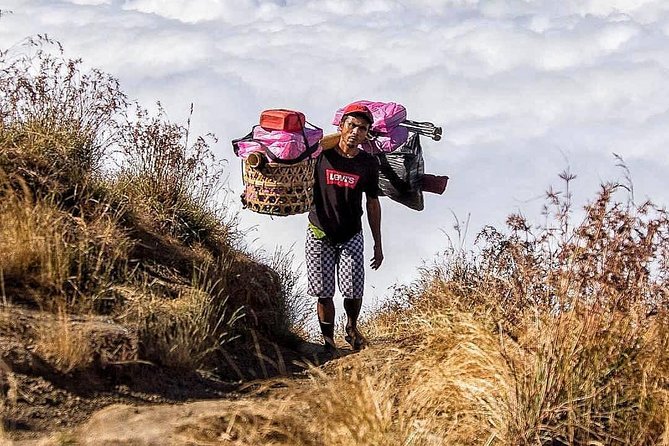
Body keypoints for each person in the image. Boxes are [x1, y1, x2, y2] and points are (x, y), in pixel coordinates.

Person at [306, 103, 383, 352]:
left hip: (351, 233)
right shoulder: (322, 156)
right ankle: (328, 342)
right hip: (319, 232)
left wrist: (378, 243)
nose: (355, 132)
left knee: (353, 288)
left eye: (362, 129)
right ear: (341, 127)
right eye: (351, 125)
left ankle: (351, 327)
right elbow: (294, 174)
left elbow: (372, 203)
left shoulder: (367, 164)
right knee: (323, 291)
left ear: (367, 134)